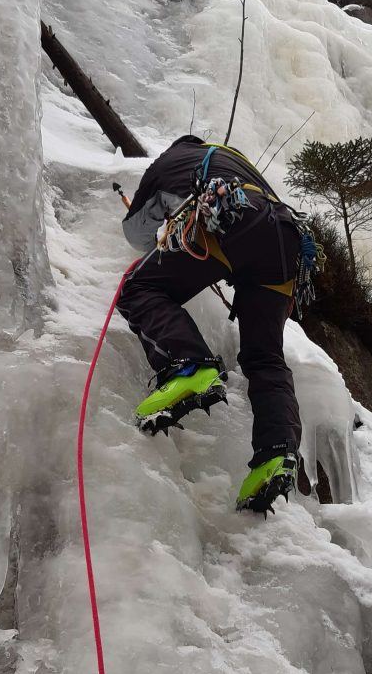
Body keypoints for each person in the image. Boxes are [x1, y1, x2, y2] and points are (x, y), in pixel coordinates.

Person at [117, 135, 302, 514]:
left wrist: (160, 236)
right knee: (264, 357)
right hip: (287, 242)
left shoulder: (168, 164)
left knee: (139, 288)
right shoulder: (236, 159)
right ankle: (276, 454)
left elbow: (136, 232)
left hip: (232, 218)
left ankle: (189, 367)